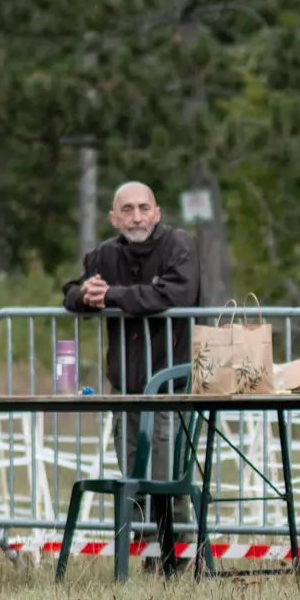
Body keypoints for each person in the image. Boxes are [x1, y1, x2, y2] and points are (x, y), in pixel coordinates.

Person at [62, 182, 200, 564]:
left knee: (167, 478)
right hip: (126, 388)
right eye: (127, 209)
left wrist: (114, 296)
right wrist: (86, 295)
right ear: (113, 217)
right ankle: (147, 558)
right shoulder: (106, 254)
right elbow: (73, 291)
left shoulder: (179, 245)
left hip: (173, 386)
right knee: (133, 481)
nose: (136, 216)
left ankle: (178, 559)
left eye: (143, 208)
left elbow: (174, 295)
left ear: (157, 212)